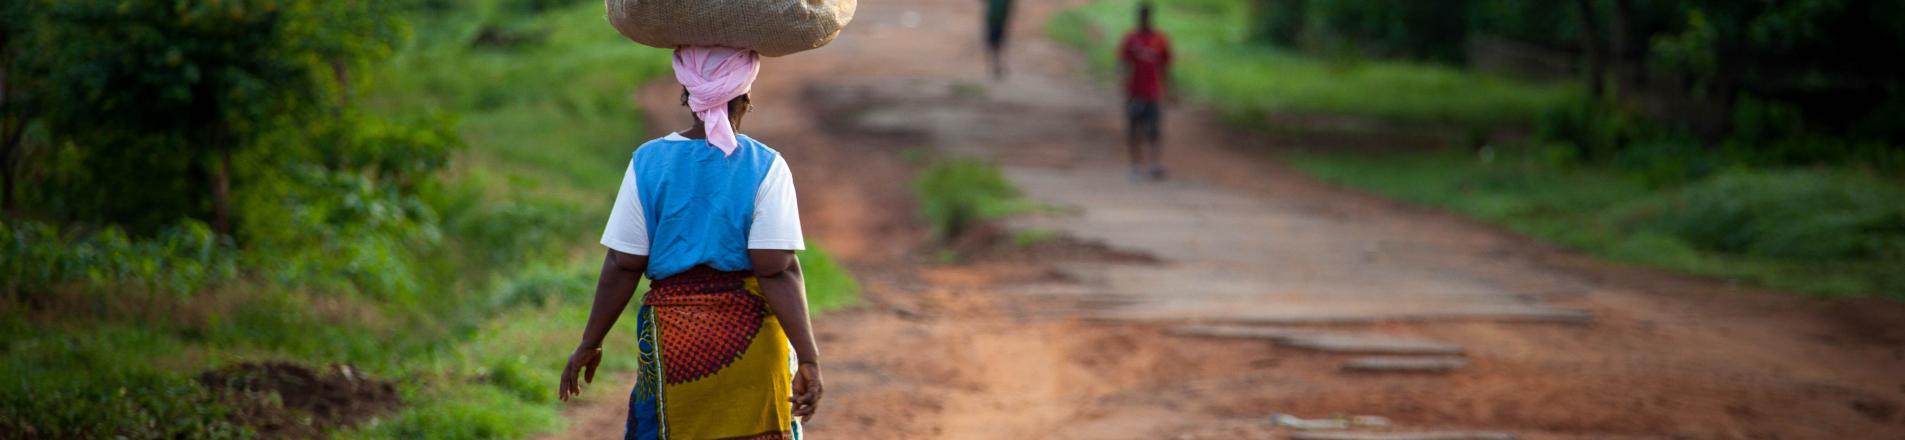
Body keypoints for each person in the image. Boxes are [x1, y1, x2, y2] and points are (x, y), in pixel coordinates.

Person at [558, 46, 823, 440]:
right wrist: (809, 358)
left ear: (687, 92)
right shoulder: (766, 165)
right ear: (747, 93)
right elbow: (777, 267)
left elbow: (623, 263)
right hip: (753, 338)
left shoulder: (648, 161)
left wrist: (590, 342)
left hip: (673, 340)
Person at [1118, 2, 1172, 180]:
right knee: (1134, 130)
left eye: (1146, 16)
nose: (1143, 19)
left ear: (1150, 17)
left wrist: (1169, 89)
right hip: (1135, 92)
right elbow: (1123, 63)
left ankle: (1153, 164)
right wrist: (1123, 86)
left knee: (1154, 130)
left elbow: (1166, 66)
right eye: (1141, 16)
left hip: (1153, 92)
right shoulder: (1131, 39)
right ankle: (1135, 165)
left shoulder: (1159, 39)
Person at [983, 0, 1015, 79]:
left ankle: (999, 65)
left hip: (1001, 22)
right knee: (993, 44)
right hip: (993, 21)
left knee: (1001, 44)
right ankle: (993, 66)